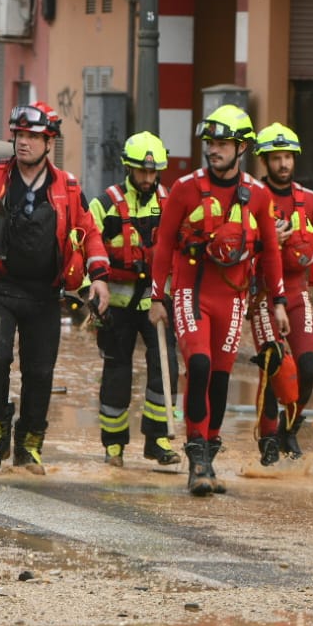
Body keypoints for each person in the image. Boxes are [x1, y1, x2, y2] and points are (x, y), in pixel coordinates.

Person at [0, 103, 111, 474]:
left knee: (39, 372)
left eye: (32, 137)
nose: (23, 143)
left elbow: (90, 233)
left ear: (48, 142)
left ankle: (30, 446)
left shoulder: (68, 187)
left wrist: (98, 277)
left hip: (44, 294)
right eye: (19, 135)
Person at [149, 104, 289, 497]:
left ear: (241, 147)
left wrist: (278, 300)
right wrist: (158, 295)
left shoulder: (259, 196)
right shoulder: (184, 188)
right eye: (210, 141)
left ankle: (210, 450)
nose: (214, 149)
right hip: (192, 290)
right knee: (198, 362)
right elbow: (162, 246)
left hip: (233, 296)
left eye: (223, 143)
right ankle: (196, 456)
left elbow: (273, 252)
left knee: (222, 377)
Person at [250, 123, 313, 464]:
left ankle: (288, 429)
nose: (283, 164)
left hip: (297, 293)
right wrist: (267, 244)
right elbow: (237, 253)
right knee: (275, 368)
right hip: (263, 297)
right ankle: (267, 439)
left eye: (287, 157)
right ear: (264, 161)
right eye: (276, 158)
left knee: (307, 367)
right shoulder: (250, 199)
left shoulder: (310, 200)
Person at [84, 131, 182, 468]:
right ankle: (114, 445)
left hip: (158, 304)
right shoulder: (105, 206)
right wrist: (91, 291)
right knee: (117, 372)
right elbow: (85, 246)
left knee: (165, 367)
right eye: (141, 171)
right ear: (128, 168)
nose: (147, 178)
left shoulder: (171, 205)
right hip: (117, 308)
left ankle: (157, 440)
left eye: (153, 173)